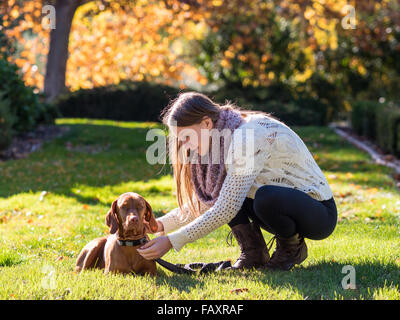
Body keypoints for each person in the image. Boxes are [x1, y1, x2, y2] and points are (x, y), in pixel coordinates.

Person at [137, 91, 338, 271]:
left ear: (206, 123)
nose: (185, 146)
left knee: (265, 197)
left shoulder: (246, 136)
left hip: (318, 213)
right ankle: (254, 254)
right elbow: (208, 202)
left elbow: (227, 207)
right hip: (277, 204)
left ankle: (291, 250)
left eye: (187, 137)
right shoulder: (220, 140)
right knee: (230, 191)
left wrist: (172, 241)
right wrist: (159, 225)